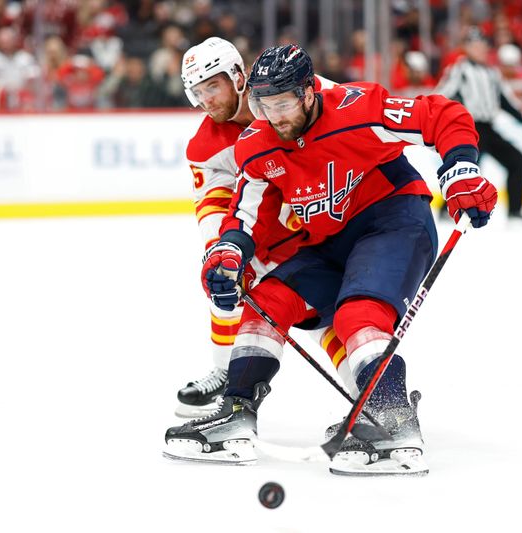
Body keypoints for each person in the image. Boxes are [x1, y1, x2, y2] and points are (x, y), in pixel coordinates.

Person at [164, 44, 497, 476]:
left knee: (357, 315)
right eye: (263, 105)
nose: (274, 117)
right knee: (267, 302)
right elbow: (245, 214)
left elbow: (441, 114)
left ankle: (393, 421)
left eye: (282, 103)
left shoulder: (358, 108)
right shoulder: (256, 143)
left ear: (307, 93)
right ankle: (237, 412)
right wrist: (228, 254)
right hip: (327, 239)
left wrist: (460, 169)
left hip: (392, 221)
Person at [173, 37, 344, 418]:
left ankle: (369, 388)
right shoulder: (205, 146)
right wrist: (221, 248)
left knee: (333, 315)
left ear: (238, 76)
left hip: (331, 221)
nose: (206, 101)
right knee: (228, 281)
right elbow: (213, 203)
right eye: (197, 93)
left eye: (212, 87)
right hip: (273, 236)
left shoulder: (290, 92)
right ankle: (225, 370)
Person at [435, 28, 522, 226]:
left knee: (518, 162)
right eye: (475, 45)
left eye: (483, 45)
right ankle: (445, 210)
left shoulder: (492, 73)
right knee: (465, 170)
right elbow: (441, 95)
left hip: (488, 128)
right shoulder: (459, 70)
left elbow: (505, 101)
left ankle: (515, 213)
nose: (480, 49)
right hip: (468, 127)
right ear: (466, 48)